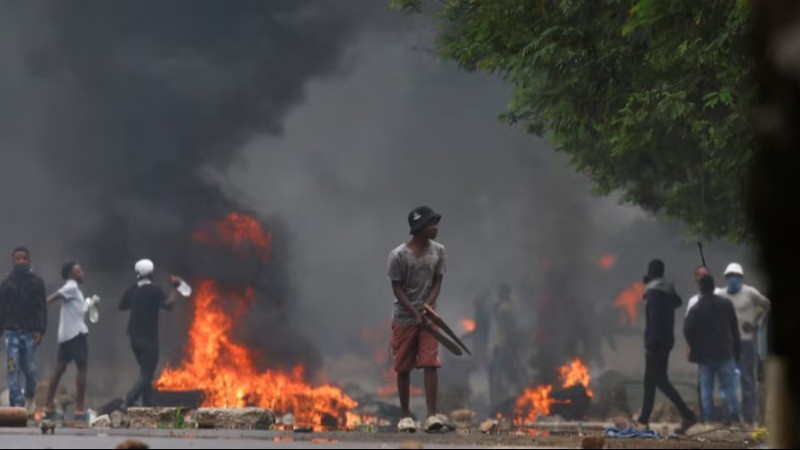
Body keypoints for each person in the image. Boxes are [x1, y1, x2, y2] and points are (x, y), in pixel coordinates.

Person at [388, 206, 447, 433]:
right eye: (432, 224)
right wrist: (414, 312)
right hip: (404, 318)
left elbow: (437, 282)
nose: (436, 228)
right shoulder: (398, 256)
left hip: (429, 318)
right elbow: (396, 288)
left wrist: (427, 307)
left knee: (430, 363)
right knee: (403, 366)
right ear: (420, 228)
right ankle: (406, 417)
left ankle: (432, 417)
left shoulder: (439, 251)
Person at [637, 259, 697, 433]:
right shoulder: (667, 289)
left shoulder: (654, 291)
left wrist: (649, 344)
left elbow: (654, 321)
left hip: (655, 342)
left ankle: (687, 414)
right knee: (651, 380)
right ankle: (643, 421)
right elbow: (677, 302)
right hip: (667, 340)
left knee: (658, 380)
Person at [119, 259, 178, 408]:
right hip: (149, 339)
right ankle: (129, 399)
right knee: (147, 374)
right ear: (151, 274)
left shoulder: (132, 291)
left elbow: (122, 306)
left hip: (134, 339)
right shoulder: (155, 290)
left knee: (145, 371)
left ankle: (148, 402)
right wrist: (175, 289)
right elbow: (169, 305)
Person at [684, 274, 742, 425]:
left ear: (701, 288)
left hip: (704, 355)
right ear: (713, 286)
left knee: (706, 389)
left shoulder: (697, 307)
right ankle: (733, 417)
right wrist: (737, 349)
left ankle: (708, 418)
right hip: (724, 352)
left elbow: (687, 329)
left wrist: (694, 344)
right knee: (729, 387)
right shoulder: (726, 304)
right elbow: (734, 328)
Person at [43, 262, 95, 421]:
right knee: (82, 367)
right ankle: (80, 409)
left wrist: (89, 304)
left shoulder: (75, 290)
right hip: (76, 335)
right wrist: (42, 303)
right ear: (70, 275)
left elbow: (78, 310)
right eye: (78, 271)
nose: (82, 273)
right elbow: (55, 296)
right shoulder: (71, 287)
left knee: (59, 370)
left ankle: (47, 405)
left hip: (65, 336)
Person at [720, 263, 770, 426]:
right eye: (730, 276)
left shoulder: (750, 293)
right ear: (726, 278)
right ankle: (731, 416)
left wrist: (755, 321)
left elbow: (766, 304)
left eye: (736, 276)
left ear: (741, 278)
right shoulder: (721, 295)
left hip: (746, 342)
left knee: (747, 380)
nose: (733, 279)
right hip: (727, 343)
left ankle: (749, 417)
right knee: (728, 380)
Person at [0, 246, 47, 415]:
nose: (21, 261)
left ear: (29, 260)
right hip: (11, 333)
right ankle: (16, 406)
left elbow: (42, 308)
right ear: (13, 261)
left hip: (30, 334)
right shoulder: (6, 283)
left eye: (24, 258)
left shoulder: (37, 283)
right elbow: (1, 309)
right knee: (12, 369)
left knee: (30, 370)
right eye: (17, 258)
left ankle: (29, 396)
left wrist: (40, 330)